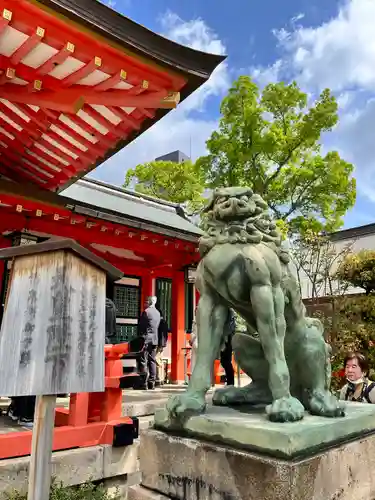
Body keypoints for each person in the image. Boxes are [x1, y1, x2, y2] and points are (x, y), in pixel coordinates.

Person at [137, 296, 161, 390]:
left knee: (143, 360)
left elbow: (141, 326)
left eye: (147, 301)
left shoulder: (146, 312)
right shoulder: (158, 313)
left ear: (150, 302)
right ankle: (152, 382)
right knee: (152, 360)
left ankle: (143, 383)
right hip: (154, 339)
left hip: (146, 339)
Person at [220, 309, 235, 386]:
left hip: (228, 339)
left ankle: (230, 383)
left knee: (226, 361)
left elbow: (229, 327)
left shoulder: (229, 311)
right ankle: (229, 382)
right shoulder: (227, 311)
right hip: (225, 338)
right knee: (224, 361)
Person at [155, 308, 169, 386]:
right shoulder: (165, 322)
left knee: (157, 360)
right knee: (159, 359)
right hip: (162, 344)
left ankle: (159, 378)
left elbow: (159, 335)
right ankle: (161, 378)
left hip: (159, 344)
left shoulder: (159, 322)